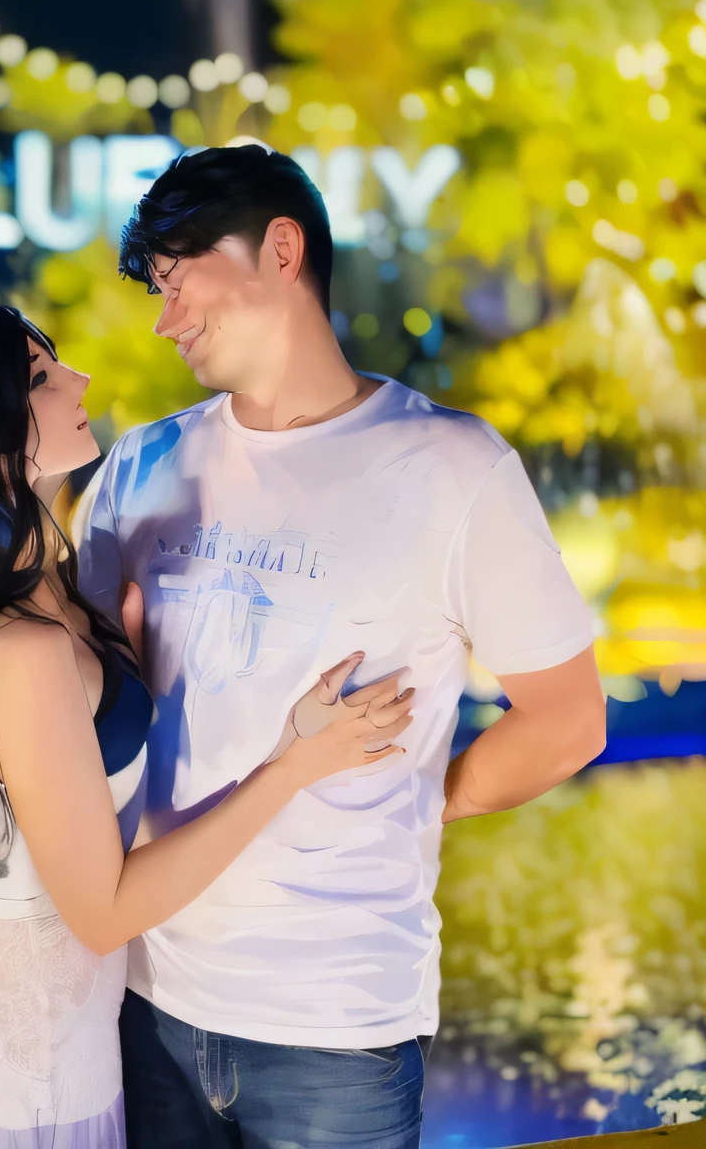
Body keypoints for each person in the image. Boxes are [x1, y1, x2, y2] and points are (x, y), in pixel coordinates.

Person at [69, 144, 608, 1149]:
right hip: (146, 997)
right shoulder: (142, 466)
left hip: (333, 1028)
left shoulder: (452, 468)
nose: (165, 317)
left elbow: (570, 720)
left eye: (182, 284)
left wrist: (422, 792)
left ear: (282, 249)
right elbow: (62, 704)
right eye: (157, 291)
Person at [0, 298, 413, 1149]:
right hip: (15, 1082)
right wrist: (295, 764)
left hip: (50, 1050)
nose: (78, 380)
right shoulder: (18, 646)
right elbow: (104, 912)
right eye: (39, 377)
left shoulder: (36, 583)